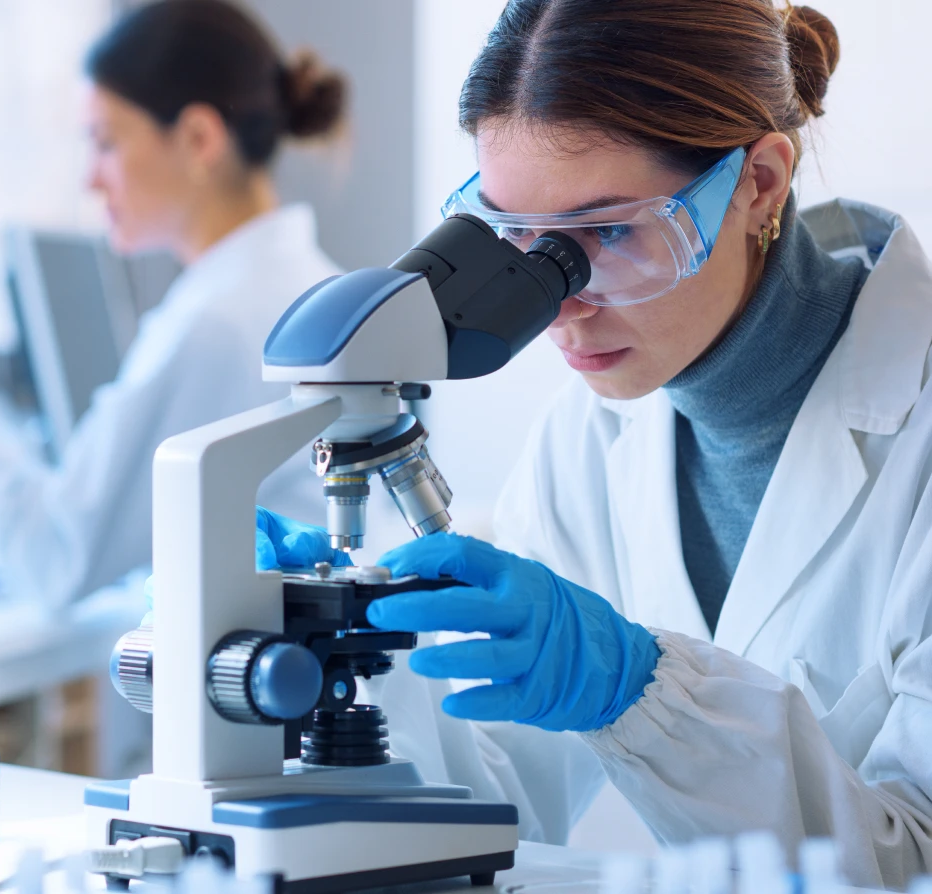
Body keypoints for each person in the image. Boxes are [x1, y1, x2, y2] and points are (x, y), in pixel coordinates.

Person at [256, 0, 932, 888]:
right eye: (517, 245)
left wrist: (643, 695)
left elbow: (913, 863)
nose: (557, 308)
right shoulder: (590, 438)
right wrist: (351, 665)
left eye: (607, 233)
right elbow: (500, 807)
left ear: (759, 182)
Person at [0, 0, 347, 608]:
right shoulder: (299, 286)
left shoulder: (221, 321)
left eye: (105, 141)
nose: (91, 179)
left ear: (198, 138)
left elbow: (54, 556)